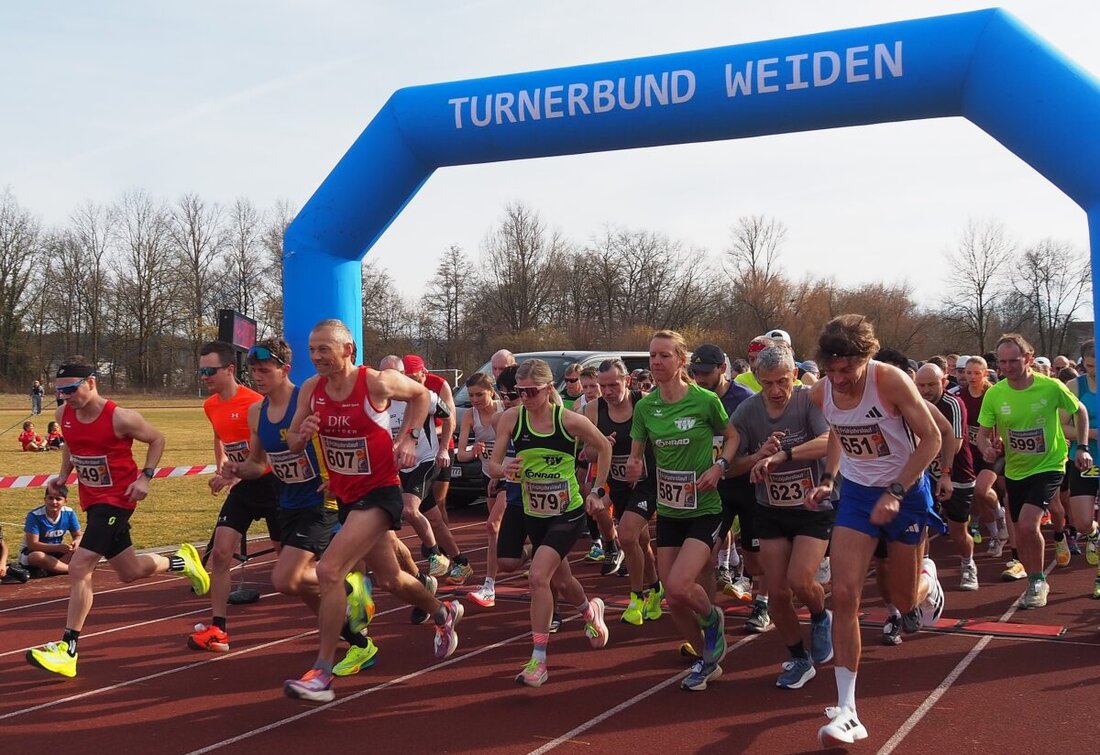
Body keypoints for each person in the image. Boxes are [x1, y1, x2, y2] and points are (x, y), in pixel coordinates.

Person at [282, 319, 462, 702]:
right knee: (391, 579)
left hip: (381, 492)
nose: (316, 357)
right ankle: (443, 613)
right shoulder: (311, 389)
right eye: (312, 350)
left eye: (324, 349)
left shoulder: (376, 382)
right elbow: (293, 443)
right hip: (347, 495)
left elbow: (422, 396)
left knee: (329, 570)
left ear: (348, 350)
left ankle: (321, 672)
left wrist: (408, 438)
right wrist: (304, 433)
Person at [25, 357, 209, 678]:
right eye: (60, 391)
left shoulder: (120, 417)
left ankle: (68, 649)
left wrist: (145, 477)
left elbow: (157, 439)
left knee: (80, 566)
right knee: (129, 571)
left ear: (91, 383)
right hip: (92, 500)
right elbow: (72, 446)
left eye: (71, 389)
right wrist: (63, 474)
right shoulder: (63, 414)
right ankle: (182, 561)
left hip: (119, 500)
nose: (66, 397)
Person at [808, 315, 945, 746]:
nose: (839, 378)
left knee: (903, 602)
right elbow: (837, 430)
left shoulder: (889, 382)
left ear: (865, 357)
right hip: (857, 495)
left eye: (846, 369)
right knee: (843, 593)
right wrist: (829, 478)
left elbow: (932, 439)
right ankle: (847, 709)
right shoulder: (820, 391)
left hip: (905, 492)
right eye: (831, 370)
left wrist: (897, 489)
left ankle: (928, 581)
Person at [214, 339, 378, 677]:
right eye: (253, 371)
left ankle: (349, 586)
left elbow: (346, 440)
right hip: (286, 501)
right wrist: (235, 469)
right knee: (304, 589)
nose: (257, 377)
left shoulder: (308, 400)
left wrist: (339, 477)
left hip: (319, 501)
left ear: (284, 370)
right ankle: (360, 643)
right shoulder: (257, 412)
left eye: (264, 370)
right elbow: (258, 463)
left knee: (286, 578)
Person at [487, 358, 612, 687]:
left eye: (531, 391)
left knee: (538, 577)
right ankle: (590, 612)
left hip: (567, 513)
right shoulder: (512, 419)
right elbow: (493, 465)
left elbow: (603, 447)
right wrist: (504, 469)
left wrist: (597, 490)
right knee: (562, 580)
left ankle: (538, 661)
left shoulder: (568, 420)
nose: (524, 397)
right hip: (534, 513)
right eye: (520, 391)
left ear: (547, 389)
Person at [629, 330, 735, 692]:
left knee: (679, 583)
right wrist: (632, 465)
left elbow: (732, 437)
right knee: (673, 597)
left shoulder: (705, 400)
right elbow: (636, 454)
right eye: (652, 356)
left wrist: (719, 467)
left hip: (705, 507)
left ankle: (712, 617)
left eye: (664, 356)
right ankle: (707, 659)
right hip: (670, 508)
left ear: (681, 361)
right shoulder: (645, 407)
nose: (657, 362)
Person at [731, 343, 834, 689]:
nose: (775, 390)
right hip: (770, 509)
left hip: (812, 507)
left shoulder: (808, 400)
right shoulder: (747, 411)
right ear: (756, 378)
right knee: (776, 592)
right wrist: (756, 457)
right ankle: (799, 658)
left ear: (794, 375)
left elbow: (829, 440)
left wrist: (783, 455)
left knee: (801, 580)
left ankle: (820, 615)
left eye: (782, 381)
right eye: (767, 383)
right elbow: (730, 465)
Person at [976, 333, 1090, 609]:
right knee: (1022, 530)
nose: (1007, 367)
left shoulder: (1050, 387)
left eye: (1013, 361)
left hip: (1049, 464)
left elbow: (1080, 412)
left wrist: (1082, 447)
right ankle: (1033, 577)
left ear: (1028, 358)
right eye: (1002, 362)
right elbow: (982, 434)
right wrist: (988, 449)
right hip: (1016, 468)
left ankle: (1038, 581)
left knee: (1028, 523)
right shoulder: (995, 393)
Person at [193, 340, 281, 653]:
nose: (205, 377)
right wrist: (223, 466)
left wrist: (236, 471)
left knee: (290, 568)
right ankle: (219, 630)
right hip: (244, 486)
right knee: (220, 553)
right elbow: (220, 434)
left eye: (210, 371)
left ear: (230, 369)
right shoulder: (210, 405)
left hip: (272, 484)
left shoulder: (255, 403)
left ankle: (344, 605)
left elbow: (267, 457)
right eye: (201, 371)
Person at [689, 344, 764, 628]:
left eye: (706, 373)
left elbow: (760, 445)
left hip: (748, 485)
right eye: (695, 373)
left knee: (755, 559)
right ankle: (708, 617)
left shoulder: (745, 400)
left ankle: (761, 604)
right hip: (715, 489)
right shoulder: (695, 398)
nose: (700, 379)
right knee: (705, 556)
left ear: (723, 368)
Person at [584, 358, 663, 625]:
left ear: (627, 381)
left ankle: (636, 598)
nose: (607, 392)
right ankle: (656, 588)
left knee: (627, 536)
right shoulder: (593, 409)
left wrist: (640, 458)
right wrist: (601, 446)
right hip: (618, 484)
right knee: (641, 541)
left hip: (647, 482)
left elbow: (663, 440)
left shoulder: (646, 403)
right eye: (603, 386)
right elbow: (587, 453)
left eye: (613, 385)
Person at [915, 363, 979, 590]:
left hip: (957, 473)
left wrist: (944, 472)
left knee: (957, 531)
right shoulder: (912, 402)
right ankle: (923, 571)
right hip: (925, 473)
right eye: (921, 385)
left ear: (943, 382)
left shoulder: (953, 403)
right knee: (920, 525)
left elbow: (957, 444)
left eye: (931, 385)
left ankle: (968, 564)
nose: (925, 390)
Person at [456, 373, 505, 607]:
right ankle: (528, 552)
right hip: (489, 476)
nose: (475, 400)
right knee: (497, 531)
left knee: (492, 526)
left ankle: (488, 586)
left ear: (491, 392)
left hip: (509, 476)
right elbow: (461, 455)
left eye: (480, 395)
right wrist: (474, 450)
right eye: (471, 395)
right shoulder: (469, 415)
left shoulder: (504, 410)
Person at [1062, 339, 1100, 597]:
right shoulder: (1075, 386)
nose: (1092, 371)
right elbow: (1062, 426)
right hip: (1084, 459)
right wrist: (1091, 434)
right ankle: (1094, 534)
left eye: (1096, 366)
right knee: (1083, 522)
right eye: (1088, 366)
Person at [21, 485, 82, 576]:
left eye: (58, 499)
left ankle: (52, 570)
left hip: (57, 554)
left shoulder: (69, 513)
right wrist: (58, 547)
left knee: (84, 548)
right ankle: (72, 569)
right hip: (35, 553)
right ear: (45, 499)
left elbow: (78, 535)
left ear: (65, 501)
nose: (54, 502)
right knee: (36, 556)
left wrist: (76, 543)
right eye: (50, 498)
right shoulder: (34, 515)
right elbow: (32, 545)